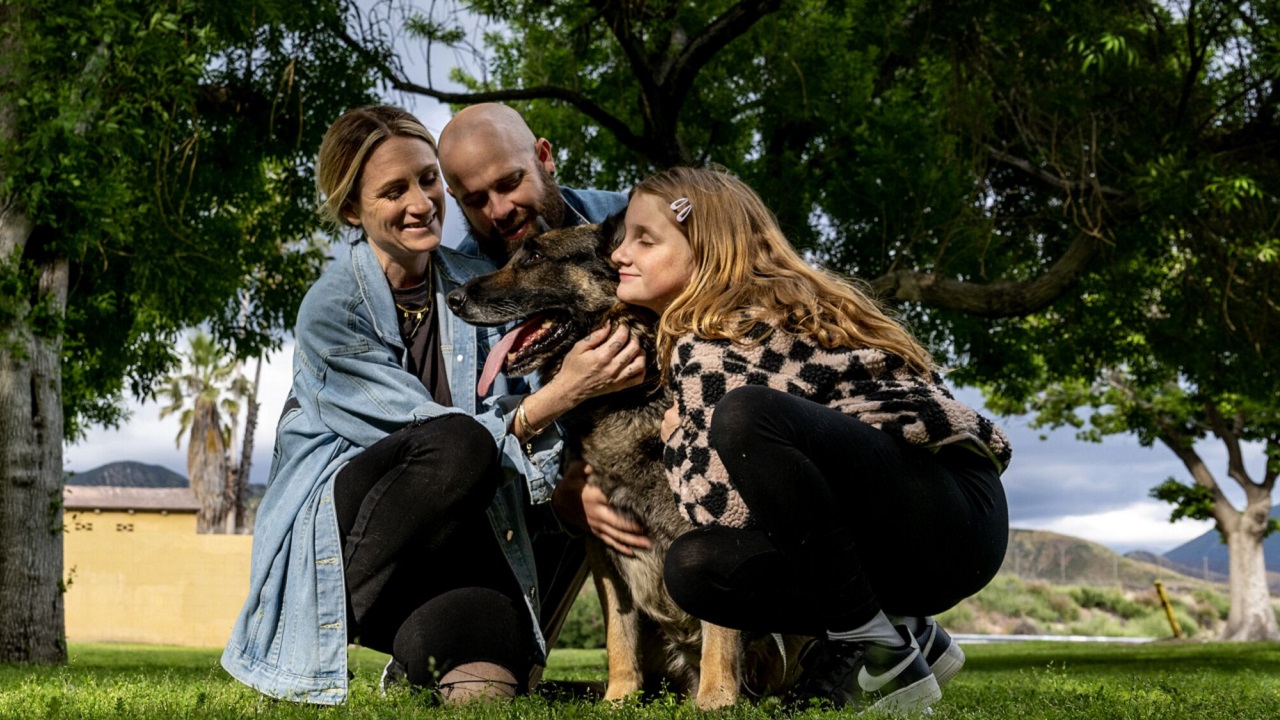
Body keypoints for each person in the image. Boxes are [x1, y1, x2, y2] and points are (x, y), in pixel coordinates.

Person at [221, 105, 645, 705]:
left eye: (426, 180)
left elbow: (533, 421)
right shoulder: (333, 308)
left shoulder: (477, 282)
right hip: (349, 538)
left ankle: (417, 656)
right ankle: (319, 637)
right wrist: (554, 399)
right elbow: (430, 430)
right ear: (352, 210)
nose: (421, 204)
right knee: (457, 443)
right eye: (393, 191)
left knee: (485, 690)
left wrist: (572, 471)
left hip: (457, 548)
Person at [610, 166, 1012, 714]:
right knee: (695, 568)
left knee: (744, 416)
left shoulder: (724, 336)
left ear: (705, 251)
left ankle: (875, 647)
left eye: (644, 238)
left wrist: (678, 439)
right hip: (917, 540)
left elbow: (722, 506)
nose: (618, 254)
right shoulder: (723, 328)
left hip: (949, 509)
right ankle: (902, 625)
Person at [435, 104, 653, 656]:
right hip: (537, 510)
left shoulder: (630, 224)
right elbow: (469, 433)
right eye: (475, 200)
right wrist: (557, 480)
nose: (501, 210)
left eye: (509, 184)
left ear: (544, 157)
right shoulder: (463, 289)